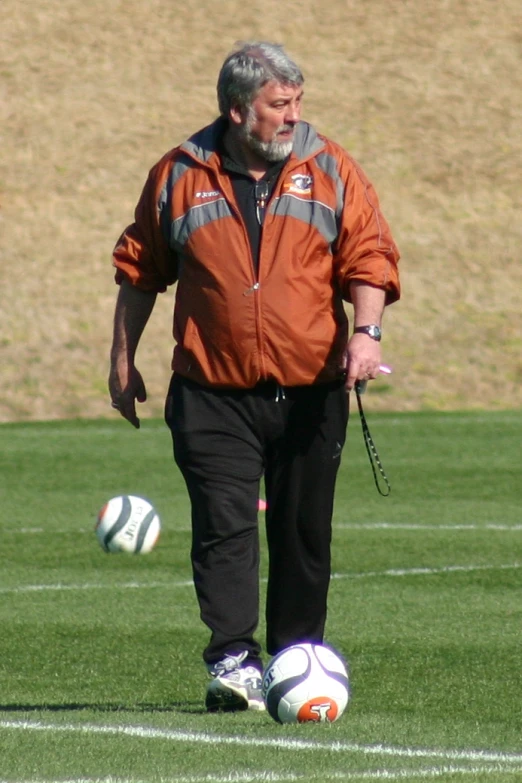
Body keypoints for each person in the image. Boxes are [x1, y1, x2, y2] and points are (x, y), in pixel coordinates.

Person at [108, 41, 400, 712]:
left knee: (302, 531)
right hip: (211, 391)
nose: (294, 116)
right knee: (224, 525)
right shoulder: (179, 174)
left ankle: (298, 656)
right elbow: (140, 268)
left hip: (311, 391)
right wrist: (122, 360)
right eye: (279, 105)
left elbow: (371, 254)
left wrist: (366, 332)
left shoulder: (330, 168)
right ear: (239, 111)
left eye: (298, 102)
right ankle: (234, 661)